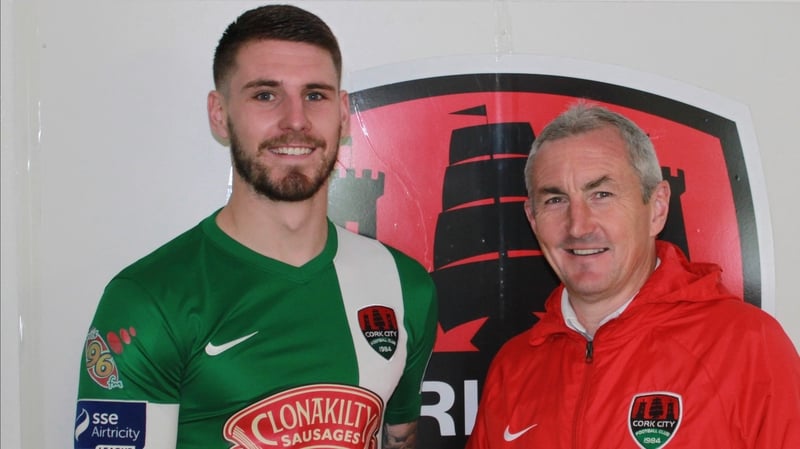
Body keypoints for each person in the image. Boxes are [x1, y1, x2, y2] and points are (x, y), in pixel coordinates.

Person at [73, 5, 437, 449]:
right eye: (265, 95)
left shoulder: (403, 287)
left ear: (343, 114)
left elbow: (401, 438)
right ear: (220, 113)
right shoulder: (148, 301)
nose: (296, 119)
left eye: (315, 95)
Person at [466, 103, 800, 448]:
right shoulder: (513, 369)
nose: (578, 226)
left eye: (602, 194)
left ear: (657, 208)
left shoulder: (747, 347)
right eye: (555, 200)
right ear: (533, 220)